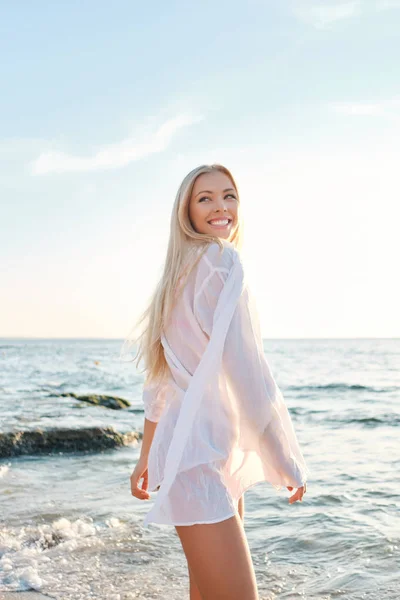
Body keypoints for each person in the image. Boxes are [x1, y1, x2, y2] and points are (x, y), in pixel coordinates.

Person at [121, 163, 309, 600]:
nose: (221, 206)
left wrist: (147, 456)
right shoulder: (224, 263)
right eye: (205, 198)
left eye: (229, 195)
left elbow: (161, 384)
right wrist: (286, 460)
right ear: (186, 209)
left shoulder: (177, 276)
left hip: (196, 455)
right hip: (200, 459)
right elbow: (248, 372)